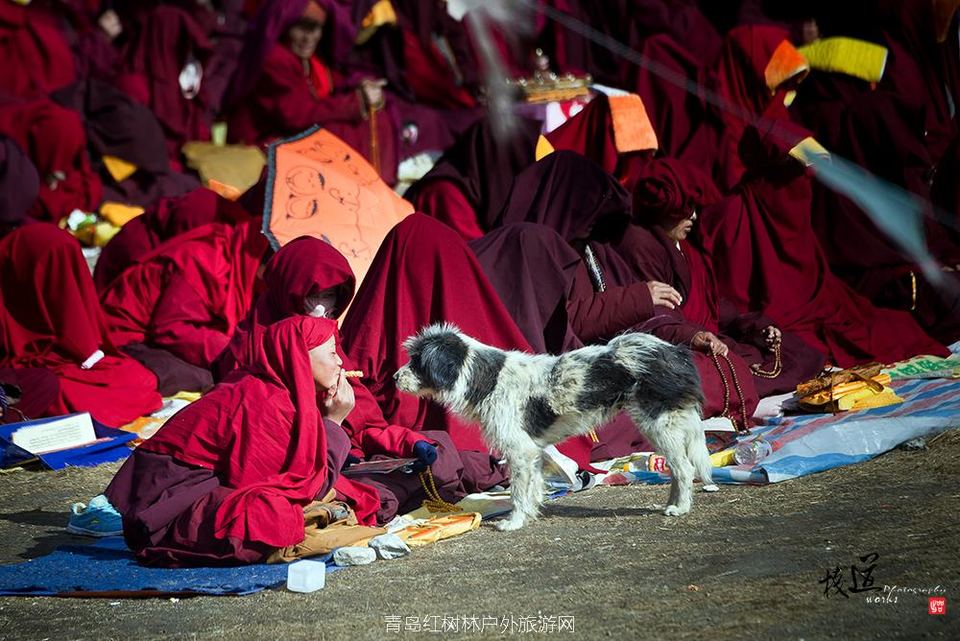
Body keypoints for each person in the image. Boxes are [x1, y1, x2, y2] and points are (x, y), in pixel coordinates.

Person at [216, 234, 510, 523]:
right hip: (306, 469)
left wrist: (408, 442)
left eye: (333, 295)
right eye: (317, 294)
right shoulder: (253, 352)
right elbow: (268, 458)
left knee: (446, 457)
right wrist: (331, 427)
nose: (327, 306)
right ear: (291, 291)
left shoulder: (328, 343)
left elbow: (367, 424)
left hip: (348, 457)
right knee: (372, 498)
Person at [104, 315, 383, 567]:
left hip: (206, 490)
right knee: (269, 517)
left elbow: (296, 475)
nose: (340, 362)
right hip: (166, 509)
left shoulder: (282, 390)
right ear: (298, 357)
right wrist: (333, 423)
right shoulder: (261, 401)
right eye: (332, 353)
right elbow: (294, 488)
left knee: (354, 493)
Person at [617, 158, 825, 398]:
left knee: (792, 351)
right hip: (682, 345)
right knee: (717, 378)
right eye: (686, 210)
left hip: (710, 338)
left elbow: (715, 307)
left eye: (695, 208)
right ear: (664, 209)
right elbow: (658, 319)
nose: (694, 217)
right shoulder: (641, 249)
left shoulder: (688, 248)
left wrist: (755, 328)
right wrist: (696, 337)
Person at [0, 223, 161, 427]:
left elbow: (82, 340)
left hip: (67, 363)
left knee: (139, 377)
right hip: (37, 376)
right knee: (61, 392)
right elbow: (78, 338)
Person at [224, 0, 398, 183]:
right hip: (263, 140)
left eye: (315, 29)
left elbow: (338, 82)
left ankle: (374, 183)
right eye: (301, 29)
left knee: (375, 117)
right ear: (284, 27)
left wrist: (363, 86)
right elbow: (296, 115)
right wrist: (357, 101)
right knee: (338, 131)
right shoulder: (275, 59)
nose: (308, 38)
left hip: (290, 133)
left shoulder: (310, 60)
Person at [98, 218, 268, 394]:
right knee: (213, 380)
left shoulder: (245, 268)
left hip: (166, 334)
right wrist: (235, 349)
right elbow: (170, 328)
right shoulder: (204, 260)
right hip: (128, 336)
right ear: (258, 256)